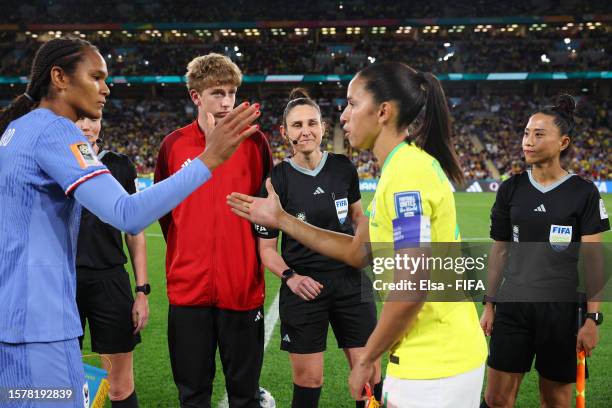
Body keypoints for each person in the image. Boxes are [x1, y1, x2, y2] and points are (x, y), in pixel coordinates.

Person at [0, 37, 259, 408]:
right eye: (96, 77)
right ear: (59, 77)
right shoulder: (56, 131)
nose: (106, 88)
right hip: (41, 330)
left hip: (11, 325)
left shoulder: (16, 131)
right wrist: (209, 159)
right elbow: (127, 213)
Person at [227, 62, 488, 407]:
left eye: (352, 103)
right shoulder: (402, 168)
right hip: (432, 355)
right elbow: (357, 252)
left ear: (382, 112)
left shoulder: (406, 175)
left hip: (434, 361)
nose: (344, 116)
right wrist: (282, 219)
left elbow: (413, 288)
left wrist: (366, 358)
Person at [154, 53, 272, 408]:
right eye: (217, 93)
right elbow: (163, 210)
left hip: (242, 289)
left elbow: (265, 210)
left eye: (232, 93)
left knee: (244, 396)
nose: (227, 102)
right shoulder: (173, 146)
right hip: (188, 291)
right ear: (196, 97)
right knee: (192, 396)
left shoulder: (255, 143)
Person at [479, 94, 609, 408]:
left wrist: (592, 318)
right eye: (526, 133)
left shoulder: (584, 192)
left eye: (539, 134)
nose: (528, 141)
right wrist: (489, 304)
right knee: (496, 398)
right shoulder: (510, 188)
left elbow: (593, 261)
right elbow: (499, 251)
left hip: (563, 311)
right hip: (514, 305)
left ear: (563, 142)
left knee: (556, 401)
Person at [254, 89, 381, 408]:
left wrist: (368, 249)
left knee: (369, 377)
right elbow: (267, 249)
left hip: (351, 282)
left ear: (323, 127)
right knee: (309, 381)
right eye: (296, 125)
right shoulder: (275, 180)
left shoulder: (343, 168)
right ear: (285, 132)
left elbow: (356, 217)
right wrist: (291, 278)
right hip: (304, 288)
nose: (305, 130)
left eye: (312, 123)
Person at [75, 116, 148, 408]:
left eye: (92, 118)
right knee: (60, 384)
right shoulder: (52, 164)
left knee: (118, 387)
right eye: (77, 118)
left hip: (110, 280)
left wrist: (142, 290)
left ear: (102, 120)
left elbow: (135, 230)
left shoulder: (119, 165)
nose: (84, 125)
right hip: (61, 282)